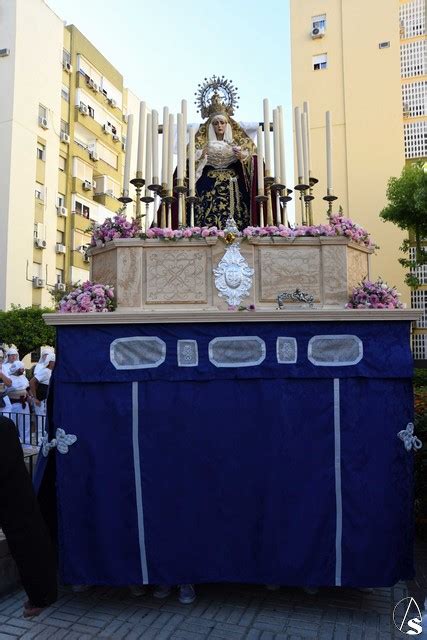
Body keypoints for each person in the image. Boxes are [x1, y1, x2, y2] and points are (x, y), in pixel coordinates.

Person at [0, 415, 57, 617]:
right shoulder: (5, 424)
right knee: (25, 548)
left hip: (12, 497)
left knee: (27, 549)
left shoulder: (3, 426)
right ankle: (41, 594)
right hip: (13, 496)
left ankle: (40, 597)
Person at [194, 95, 257, 230]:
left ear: (227, 125)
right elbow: (191, 165)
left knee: (235, 214)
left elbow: (253, 159)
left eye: (222, 122)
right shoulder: (203, 145)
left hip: (233, 184)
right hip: (208, 183)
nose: (219, 126)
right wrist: (201, 157)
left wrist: (243, 157)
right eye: (216, 123)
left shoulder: (237, 144)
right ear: (211, 126)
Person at [29, 352, 55, 442]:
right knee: (41, 421)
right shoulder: (45, 371)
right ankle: (40, 443)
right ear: (50, 362)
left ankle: (47, 440)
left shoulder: (54, 372)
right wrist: (34, 397)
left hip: (50, 400)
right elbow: (32, 382)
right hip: (42, 400)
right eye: (54, 361)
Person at [2, 361, 31, 443]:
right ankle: (14, 443)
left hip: (24, 404)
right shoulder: (9, 378)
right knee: (13, 424)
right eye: (21, 368)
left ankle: (27, 443)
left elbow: (27, 388)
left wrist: (29, 396)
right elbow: (5, 391)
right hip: (14, 404)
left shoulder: (23, 377)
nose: (22, 370)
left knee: (25, 424)